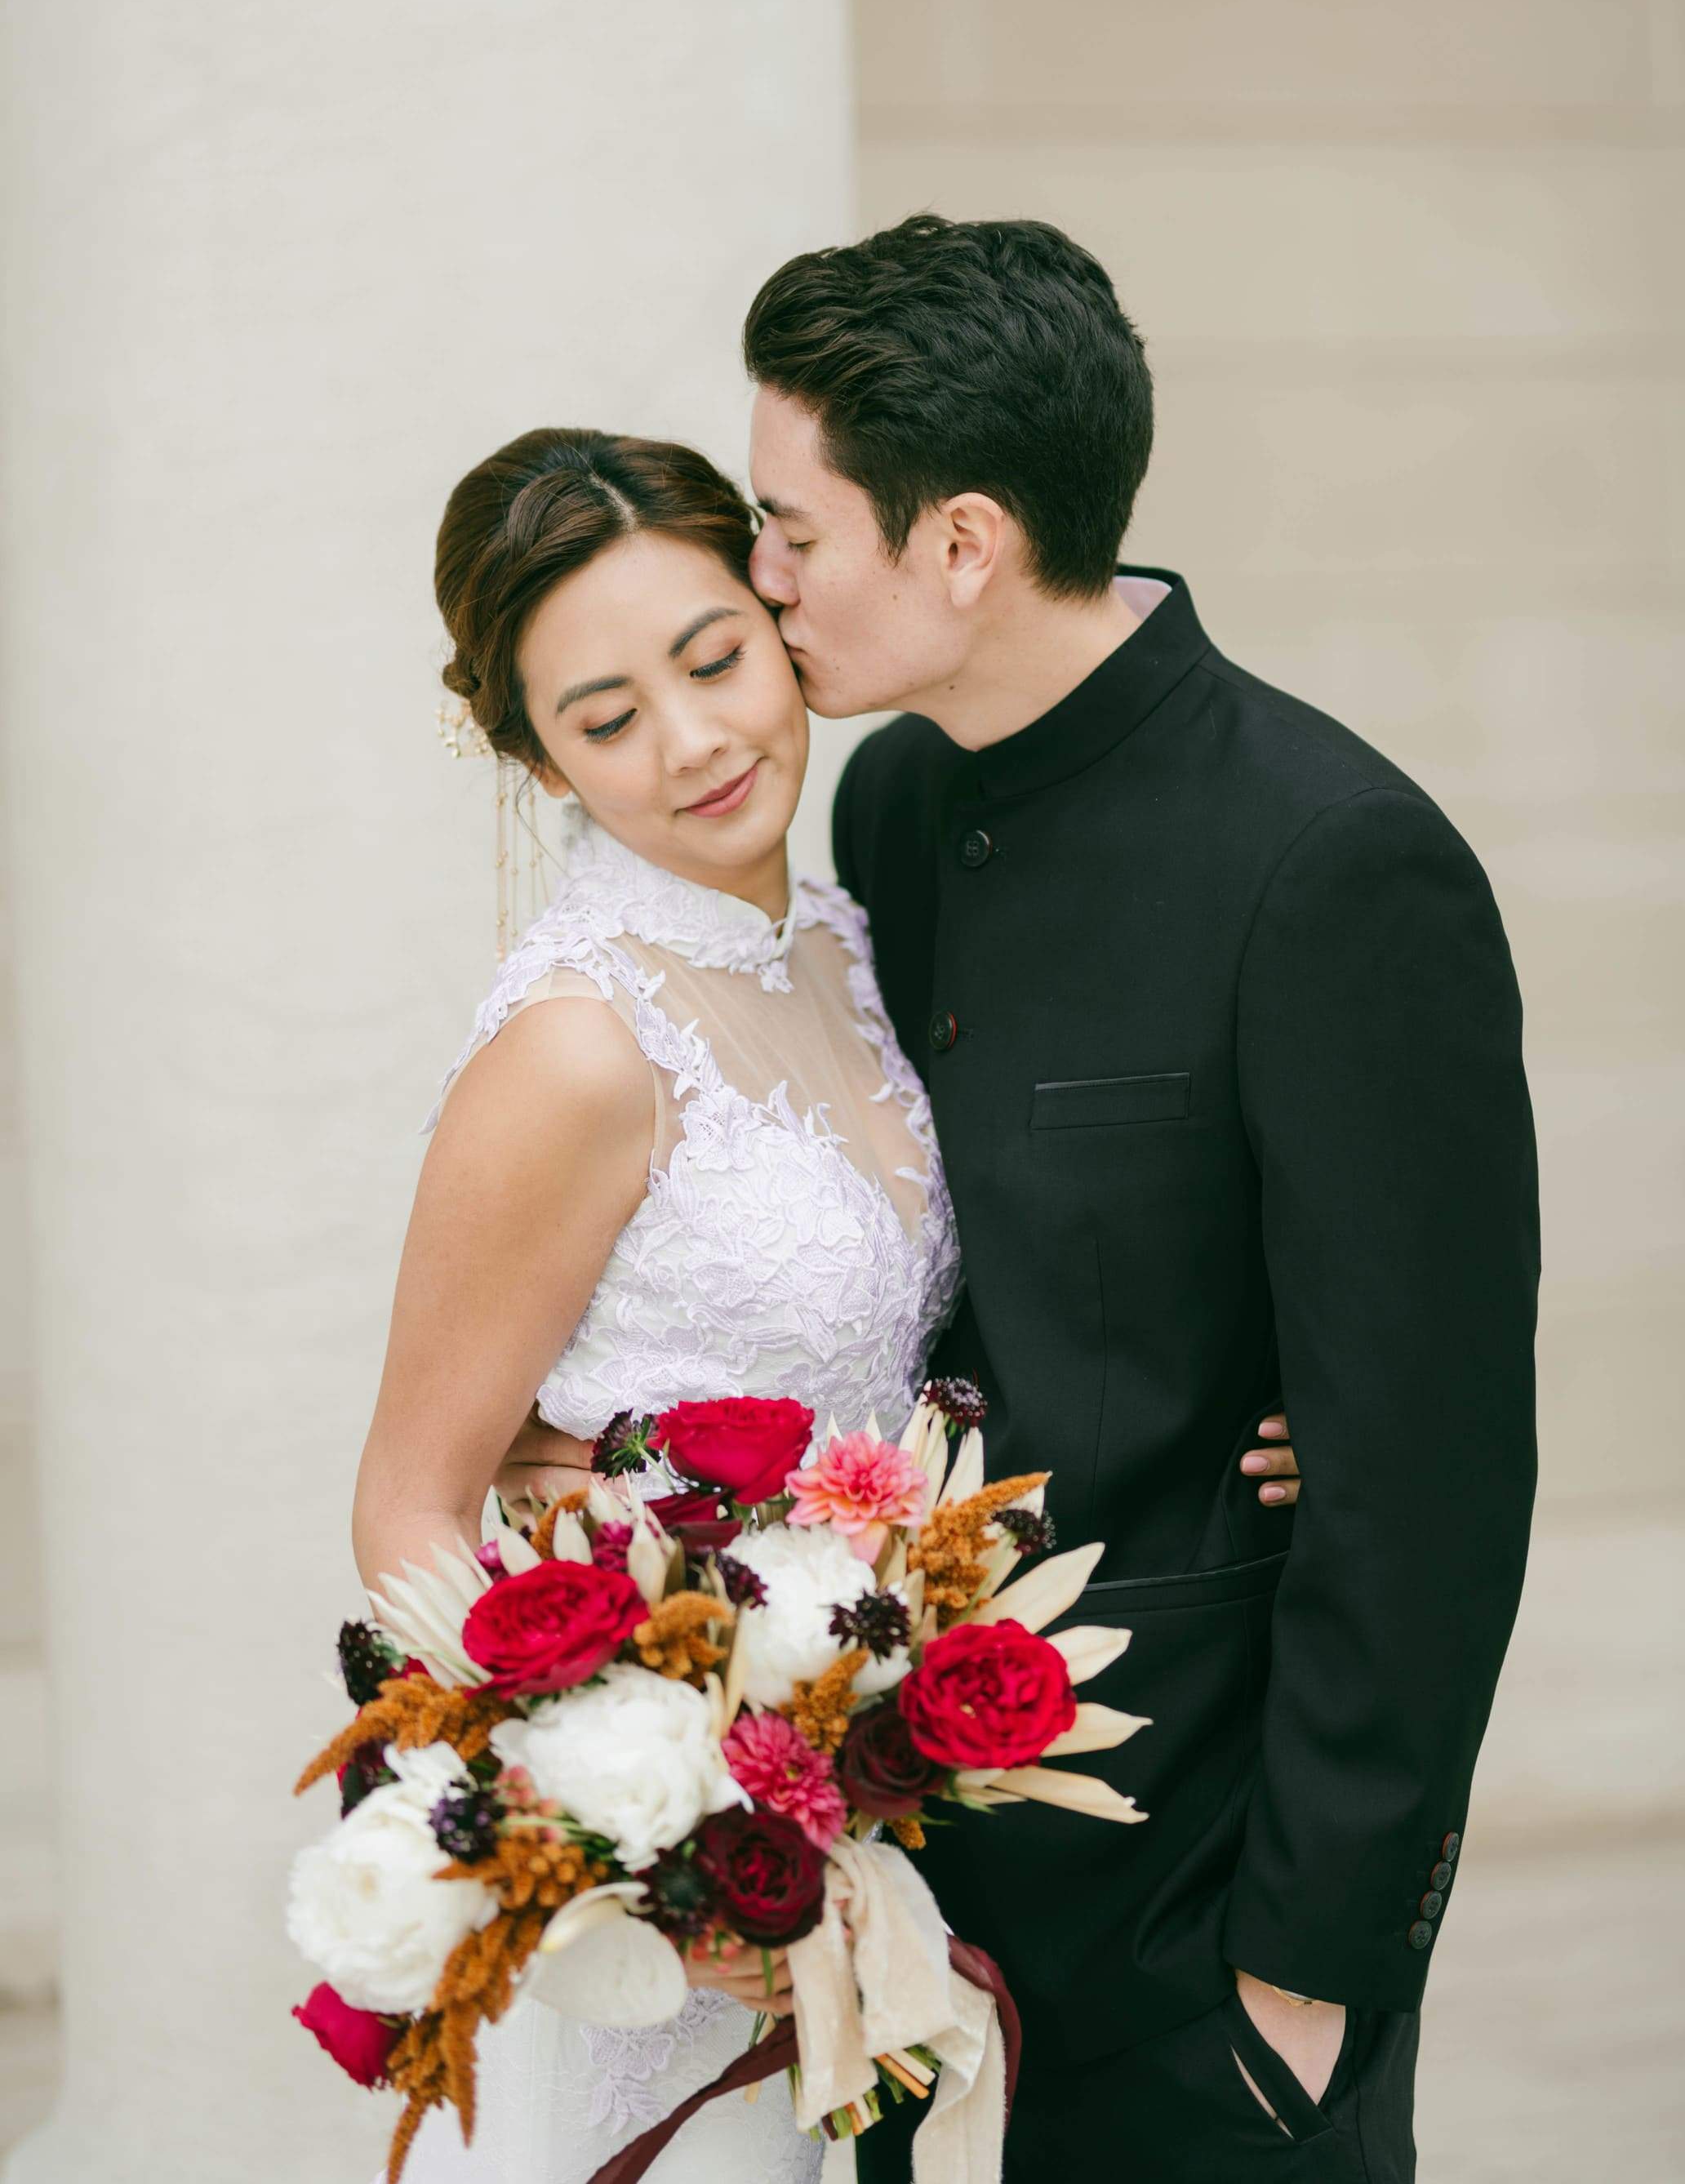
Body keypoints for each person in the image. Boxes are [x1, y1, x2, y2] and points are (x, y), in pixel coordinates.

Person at [353, 416, 1308, 2182]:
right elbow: (415, 1505)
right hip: (695, 1912)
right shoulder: (577, 1046)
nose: (695, 741)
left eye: (714, 658)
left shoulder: (846, 931)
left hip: (874, 1846)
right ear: (538, 759)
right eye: (606, 718)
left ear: (778, 612)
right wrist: (635, 1836)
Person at [736, 213, 1539, 2182]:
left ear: (962, 545)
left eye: (792, 531)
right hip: (912, 1872)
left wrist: (1311, 1975)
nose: (762, 587)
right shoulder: (896, 802)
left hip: (1204, 1915)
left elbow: (1428, 1473)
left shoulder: (1337, 862)